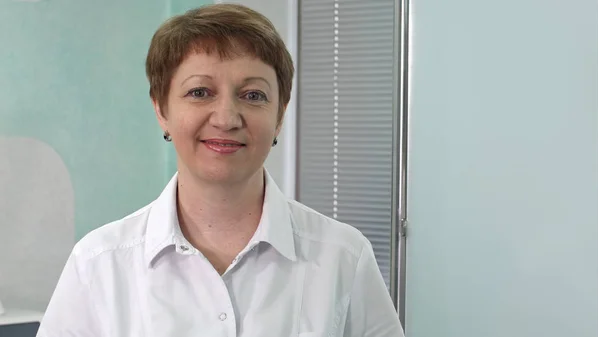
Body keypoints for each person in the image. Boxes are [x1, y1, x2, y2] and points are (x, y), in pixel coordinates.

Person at [37, 4, 404, 337]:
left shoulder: (343, 257)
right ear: (161, 109)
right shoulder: (99, 264)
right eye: (200, 92)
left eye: (253, 95)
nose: (227, 118)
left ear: (280, 115)